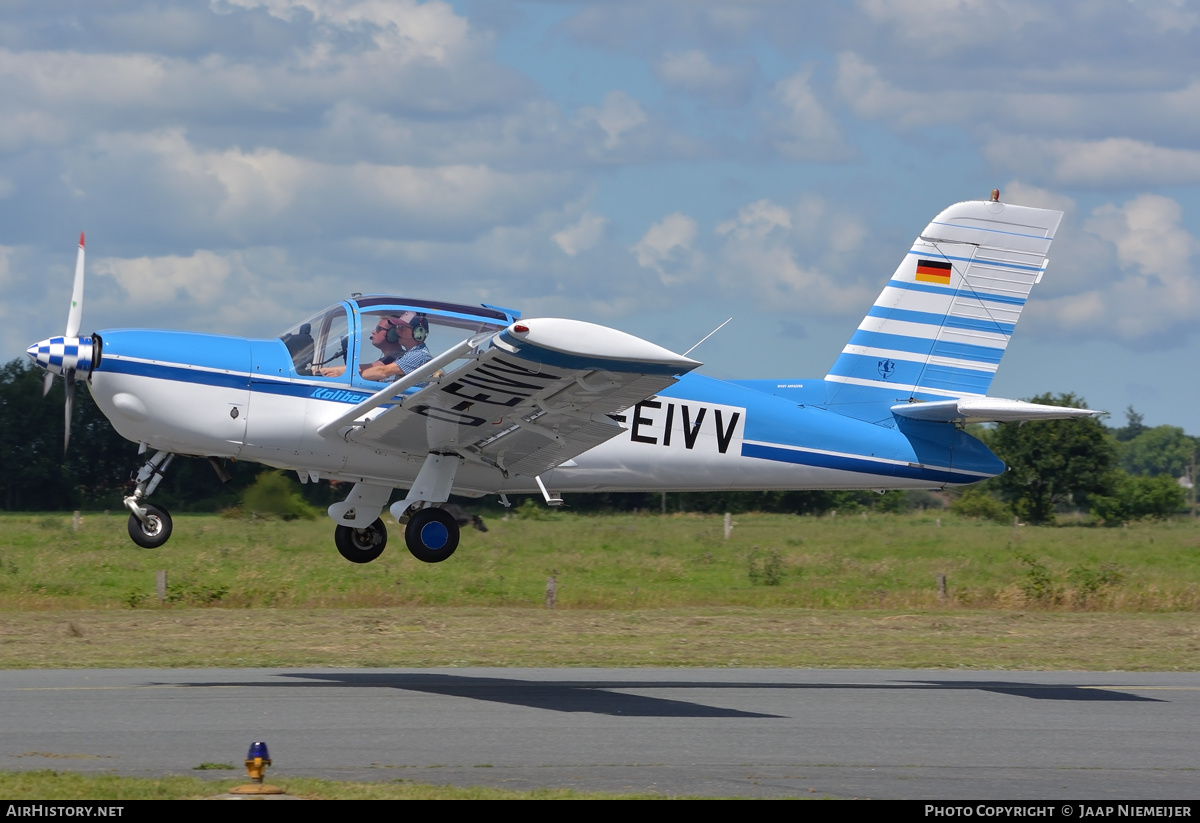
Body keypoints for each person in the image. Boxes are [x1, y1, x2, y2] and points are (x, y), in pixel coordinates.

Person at [318, 312, 431, 382]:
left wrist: (344, 376)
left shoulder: (419, 355)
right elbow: (369, 367)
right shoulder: (406, 355)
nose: (397, 331)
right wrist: (323, 371)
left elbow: (383, 371)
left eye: (402, 328)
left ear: (418, 333)